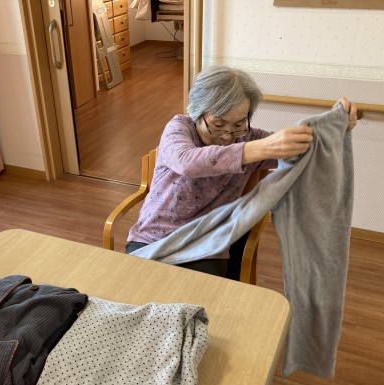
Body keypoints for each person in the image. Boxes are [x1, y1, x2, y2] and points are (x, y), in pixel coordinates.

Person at [126, 65, 358, 279]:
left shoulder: (250, 138)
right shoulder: (179, 128)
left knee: (199, 303)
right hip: (152, 239)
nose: (228, 135)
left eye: (238, 124)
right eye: (218, 125)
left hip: (207, 245)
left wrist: (336, 126)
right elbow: (186, 162)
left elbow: (306, 151)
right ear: (197, 112)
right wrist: (258, 149)